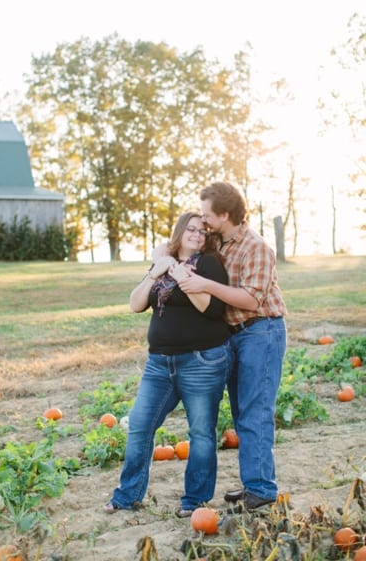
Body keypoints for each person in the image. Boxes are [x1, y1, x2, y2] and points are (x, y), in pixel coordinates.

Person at [103, 212, 231, 517]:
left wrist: (175, 269)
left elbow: (211, 310)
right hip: (159, 364)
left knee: (201, 432)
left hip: (201, 361)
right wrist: (154, 272)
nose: (197, 234)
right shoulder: (161, 263)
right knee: (139, 426)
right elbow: (136, 304)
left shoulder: (209, 264)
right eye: (191, 229)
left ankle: (194, 502)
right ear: (179, 232)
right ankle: (127, 496)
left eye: (202, 231)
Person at [177, 181, 287, 511]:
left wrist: (204, 284)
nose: (204, 220)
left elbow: (251, 299)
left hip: (261, 331)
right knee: (242, 412)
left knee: (255, 411)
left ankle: (262, 488)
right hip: (233, 334)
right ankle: (255, 483)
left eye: (209, 214)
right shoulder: (219, 241)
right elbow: (180, 241)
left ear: (225, 214)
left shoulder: (256, 247)